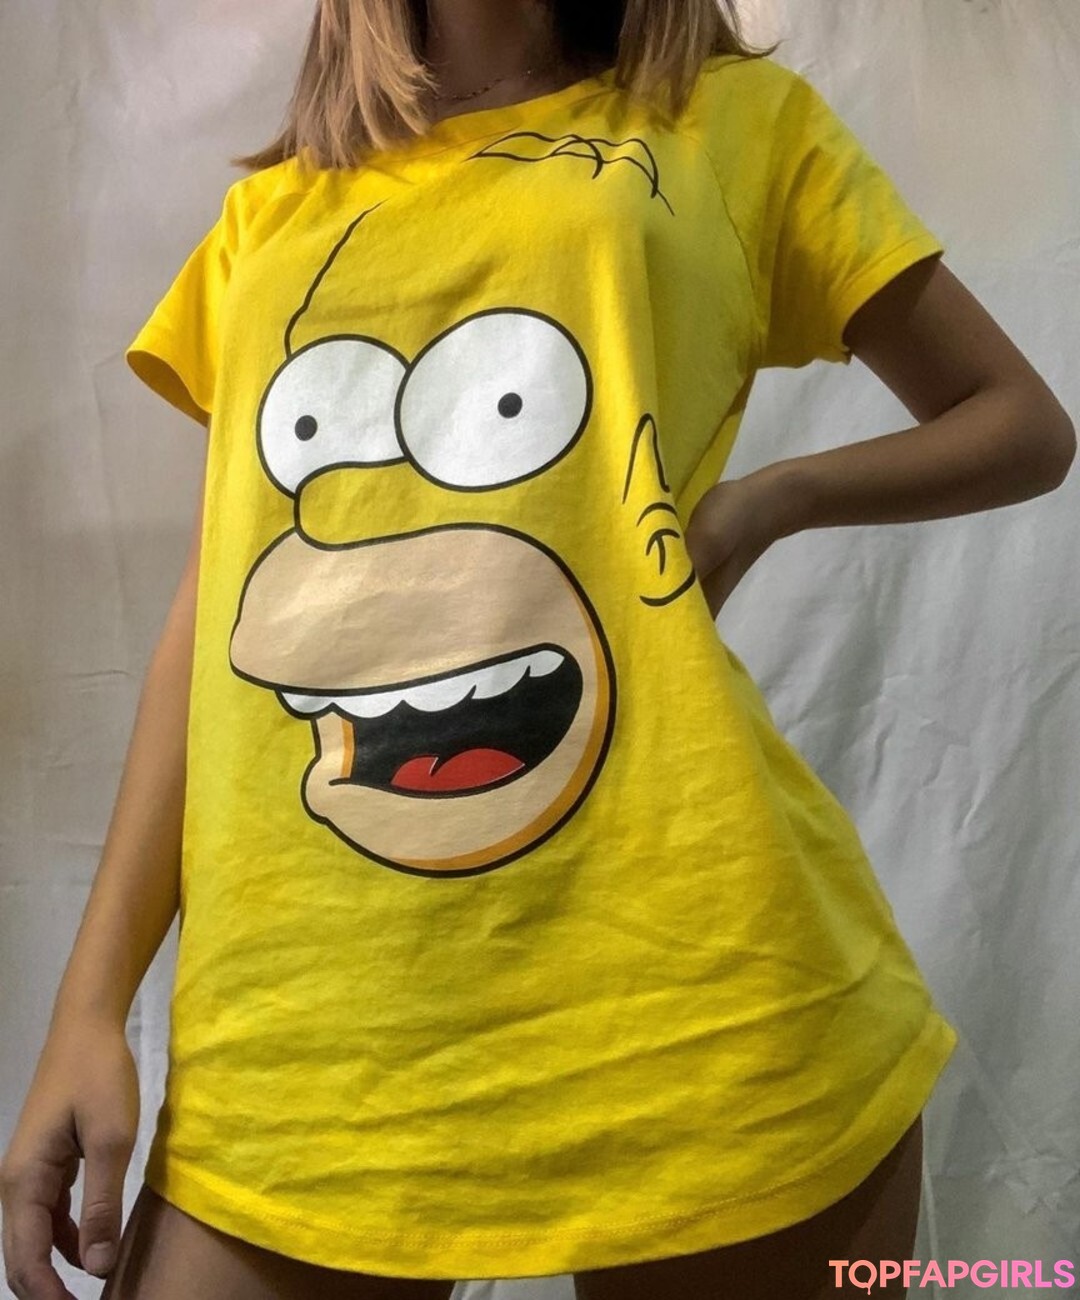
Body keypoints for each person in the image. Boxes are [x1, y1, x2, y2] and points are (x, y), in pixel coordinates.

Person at [2, 1, 1074, 1297]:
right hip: (303, 1045)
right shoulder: (269, 215)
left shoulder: (731, 127)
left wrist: (767, 500)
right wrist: (86, 1005)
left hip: (708, 1014)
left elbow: (1018, 420)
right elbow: (216, 606)